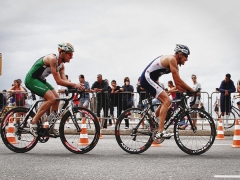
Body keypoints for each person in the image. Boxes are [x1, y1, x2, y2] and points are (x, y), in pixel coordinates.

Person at [24, 43, 83, 137]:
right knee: (51, 99)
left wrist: (75, 87)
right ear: (62, 52)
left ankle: (50, 127)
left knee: (57, 99)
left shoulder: (61, 66)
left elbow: (65, 81)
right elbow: (59, 81)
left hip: (40, 80)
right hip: (31, 79)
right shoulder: (53, 59)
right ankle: (33, 122)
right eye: (70, 54)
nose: (71, 57)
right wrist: (74, 84)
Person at [140, 44, 194, 138]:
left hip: (152, 80)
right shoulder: (172, 59)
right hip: (146, 78)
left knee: (167, 102)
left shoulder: (176, 66)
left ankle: (153, 120)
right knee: (166, 100)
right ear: (180, 54)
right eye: (186, 56)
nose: (187, 59)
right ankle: (160, 131)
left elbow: (178, 85)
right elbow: (178, 82)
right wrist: (190, 89)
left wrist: (187, 91)